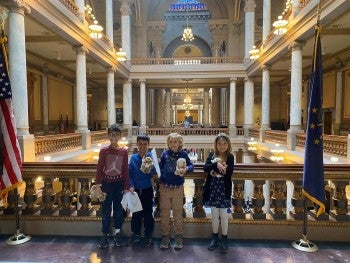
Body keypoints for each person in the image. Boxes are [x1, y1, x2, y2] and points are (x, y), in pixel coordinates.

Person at [95, 124, 130, 249]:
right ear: (108, 135)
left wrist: (126, 188)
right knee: (105, 211)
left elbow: (125, 170)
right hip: (106, 184)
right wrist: (98, 185)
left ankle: (117, 234)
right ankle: (104, 234)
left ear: (120, 136)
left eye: (116, 135)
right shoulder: (104, 151)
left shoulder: (123, 151)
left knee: (118, 211)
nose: (113, 137)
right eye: (111, 134)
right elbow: (99, 168)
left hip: (119, 184)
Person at [159, 132, 194, 250]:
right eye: (171, 142)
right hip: (164, 187)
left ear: (179, 143)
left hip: (178, 188)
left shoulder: (183, 153)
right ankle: (165, 236)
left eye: (175, 142)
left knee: (178, 212)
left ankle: (178, 236)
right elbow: (161, 167)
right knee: (164, 212)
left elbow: (191, 166)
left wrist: (186, 169)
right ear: (168, 143)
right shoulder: (164, 153)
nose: (173, 144)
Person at [203, 133, 234, 253]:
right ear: (216, 145)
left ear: (228, 145)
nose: (222, 146)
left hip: (224, 188)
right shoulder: (211, 155)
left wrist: (214, 169)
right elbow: (206, 168)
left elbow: (229, 172)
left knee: (224, 215)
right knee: (214, 214)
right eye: (219, 143)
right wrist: (216, 165)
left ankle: (224, 239)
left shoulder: (230, 157)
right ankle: (214, 238)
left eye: (224, 143)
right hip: (213, 188)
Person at [127, 134, 156, 247]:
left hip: (147, 189)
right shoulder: (133, 158)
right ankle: (136, 234)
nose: (143, 146)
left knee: (148, 214)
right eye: (140, 144)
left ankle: (148, 235)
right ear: (137, 145)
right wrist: (131, 185)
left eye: (145, 144)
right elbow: (130, 175)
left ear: (148, 145)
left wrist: (152, 167)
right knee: (136, 214)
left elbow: (154, 173)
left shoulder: (151, 157)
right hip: (135, 191)